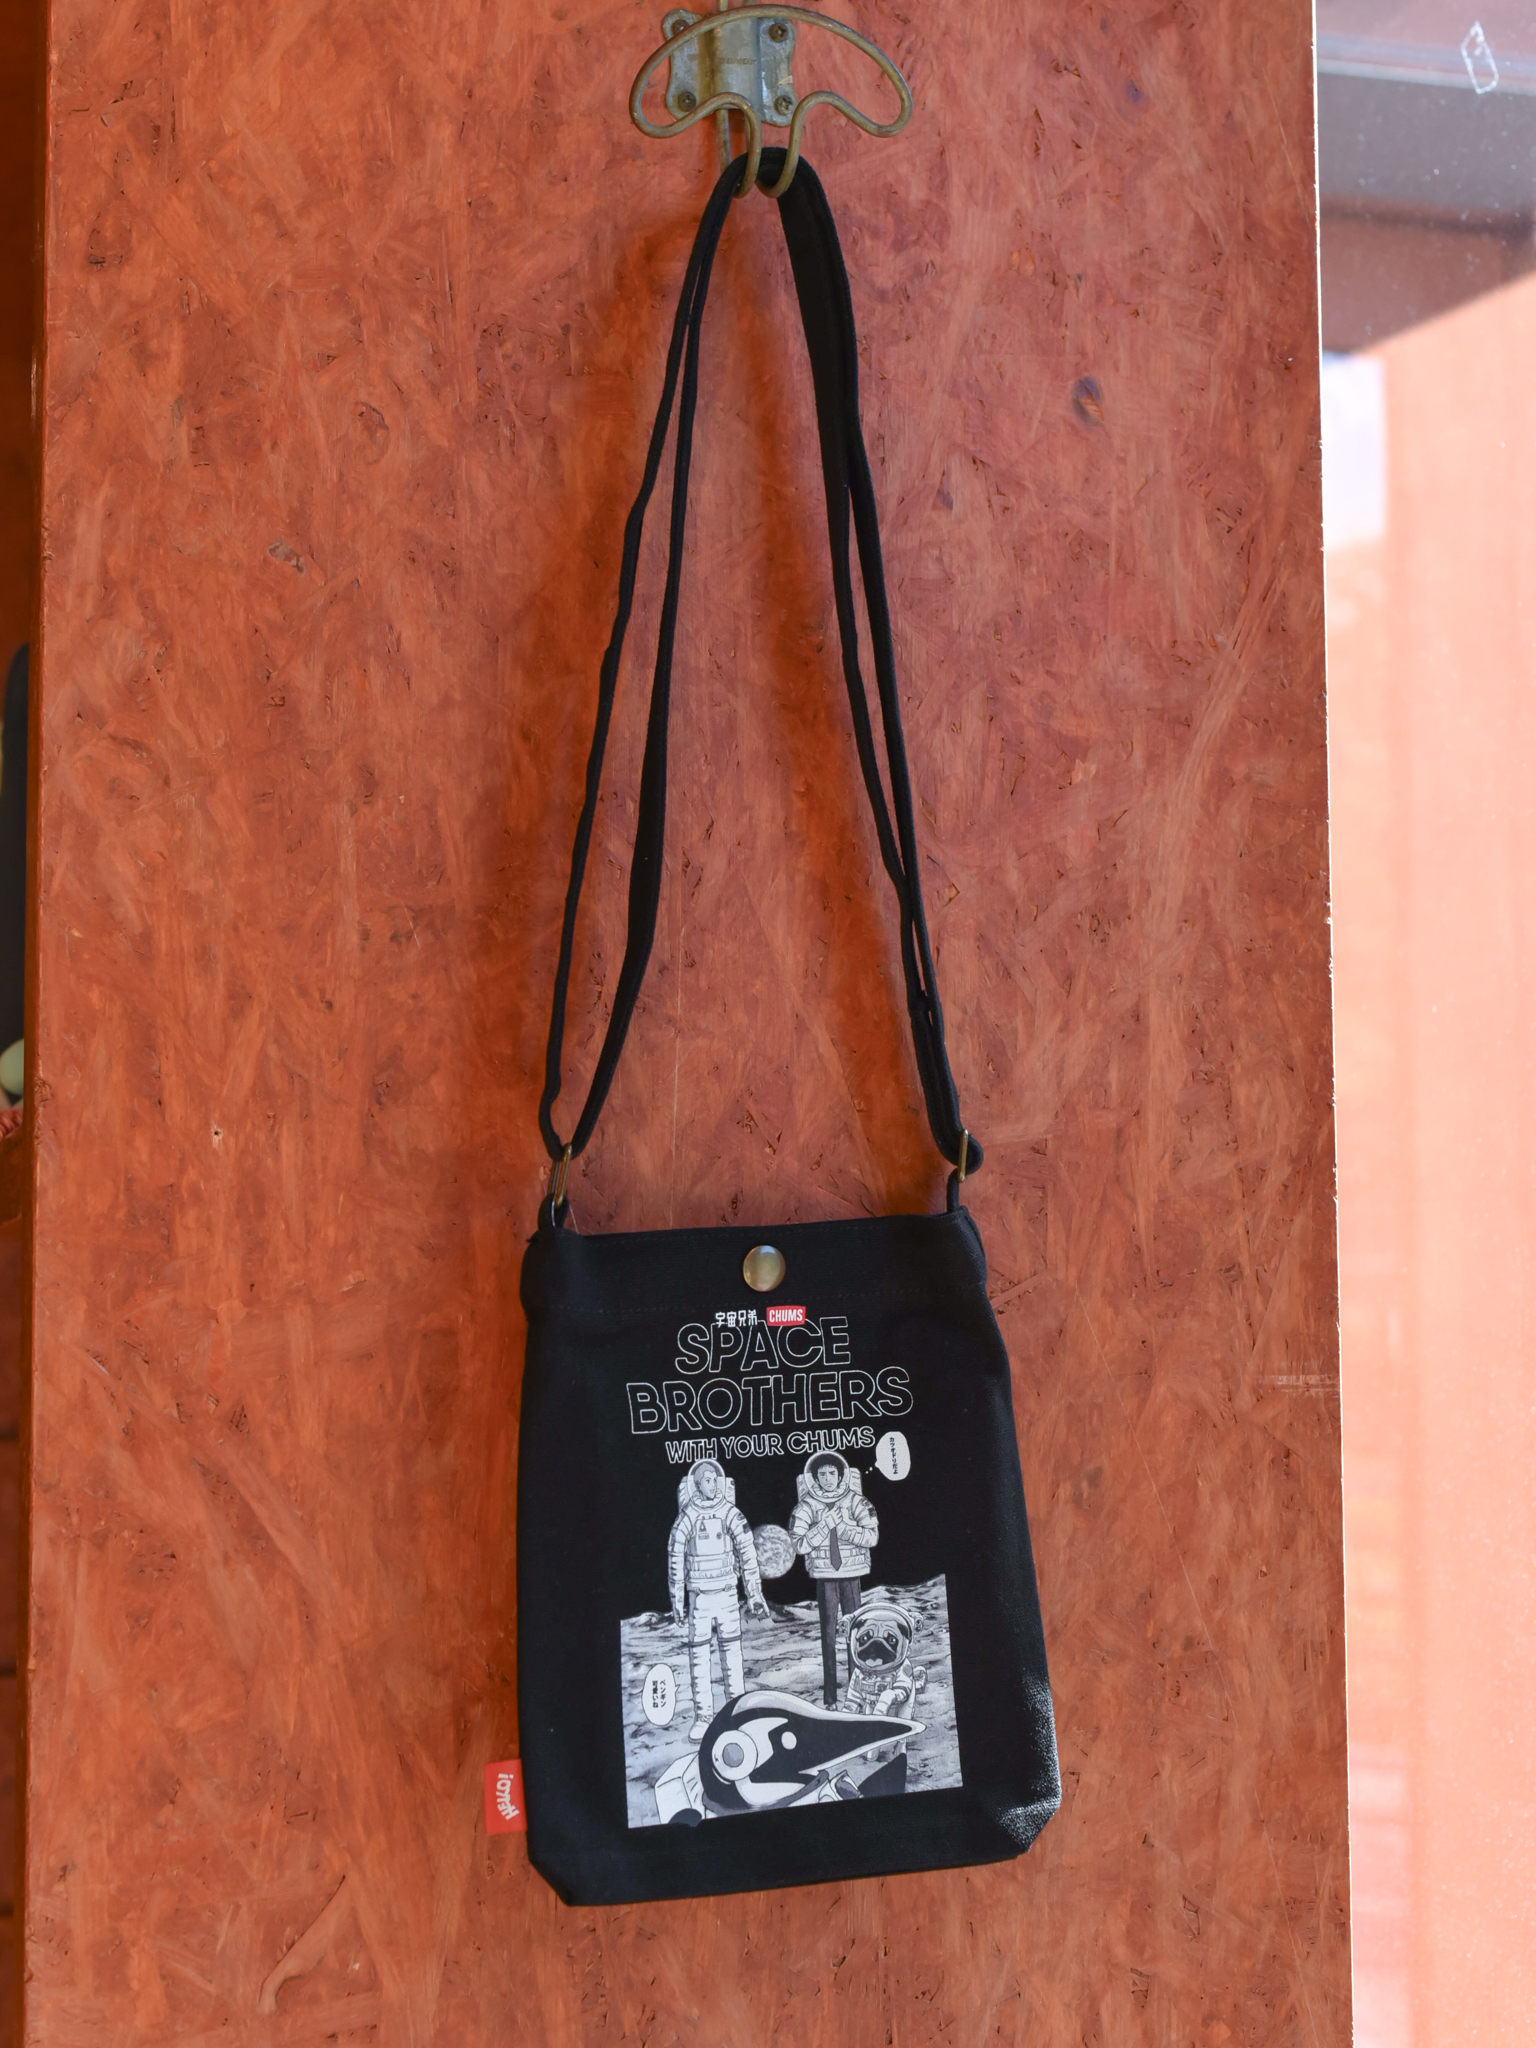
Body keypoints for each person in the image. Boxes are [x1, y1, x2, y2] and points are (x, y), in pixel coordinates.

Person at [667, 1458, 768, 1740]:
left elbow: (747, 1552)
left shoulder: (730, 1513)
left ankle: (737, 1711)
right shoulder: (687, 1517)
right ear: (697, 1485)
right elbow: (675, 1559)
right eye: (707, 1481)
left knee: (732, 1654)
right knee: (699, 1657)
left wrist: (754, 1593)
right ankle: (703, 1717)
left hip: (726, 1593)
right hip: (699, 1597)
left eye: (714, 1480)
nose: (712, 1485)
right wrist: (677, 1600)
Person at [789, 1450, 879, 1707]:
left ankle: (856, 1694)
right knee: (828, 1638)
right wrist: (823, 1526)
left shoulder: (856, 1502)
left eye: (832, 1473)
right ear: (815, 1478)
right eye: (822, 1474)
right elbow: (798, 1544)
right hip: (826, 1578)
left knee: (856, 1635)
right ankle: (830, 1700)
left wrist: (843, 1529)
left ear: (841, 1476)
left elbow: (872, 1537)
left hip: (851, 1576)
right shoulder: (807, 1506)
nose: (828, 1479)